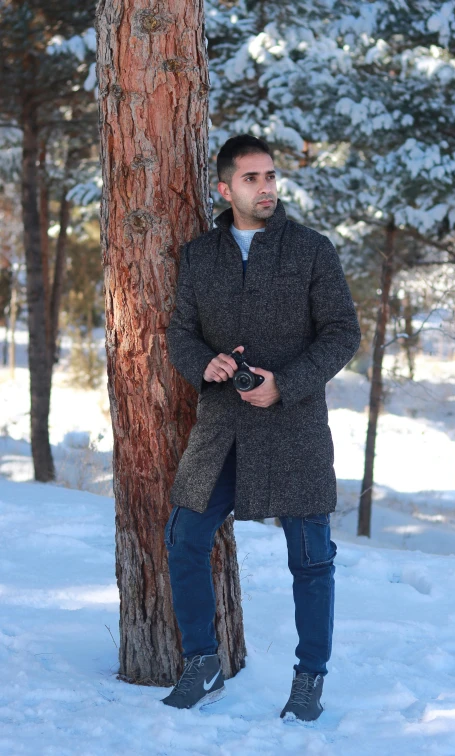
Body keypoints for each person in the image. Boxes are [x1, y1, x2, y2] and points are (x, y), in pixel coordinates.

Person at [163, 134, 361, 722]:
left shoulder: (312, 250)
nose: (266, 187)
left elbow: (342, 332)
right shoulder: (199, 256)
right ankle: (203, 663)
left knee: (311, 559)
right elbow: (180, 333)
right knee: (184, 538)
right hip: (222, 425)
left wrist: (288, 383)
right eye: (252, 178)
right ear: (225, 189)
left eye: (270, 176)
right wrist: (207, 362)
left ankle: (310, 677)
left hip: (294, 426)